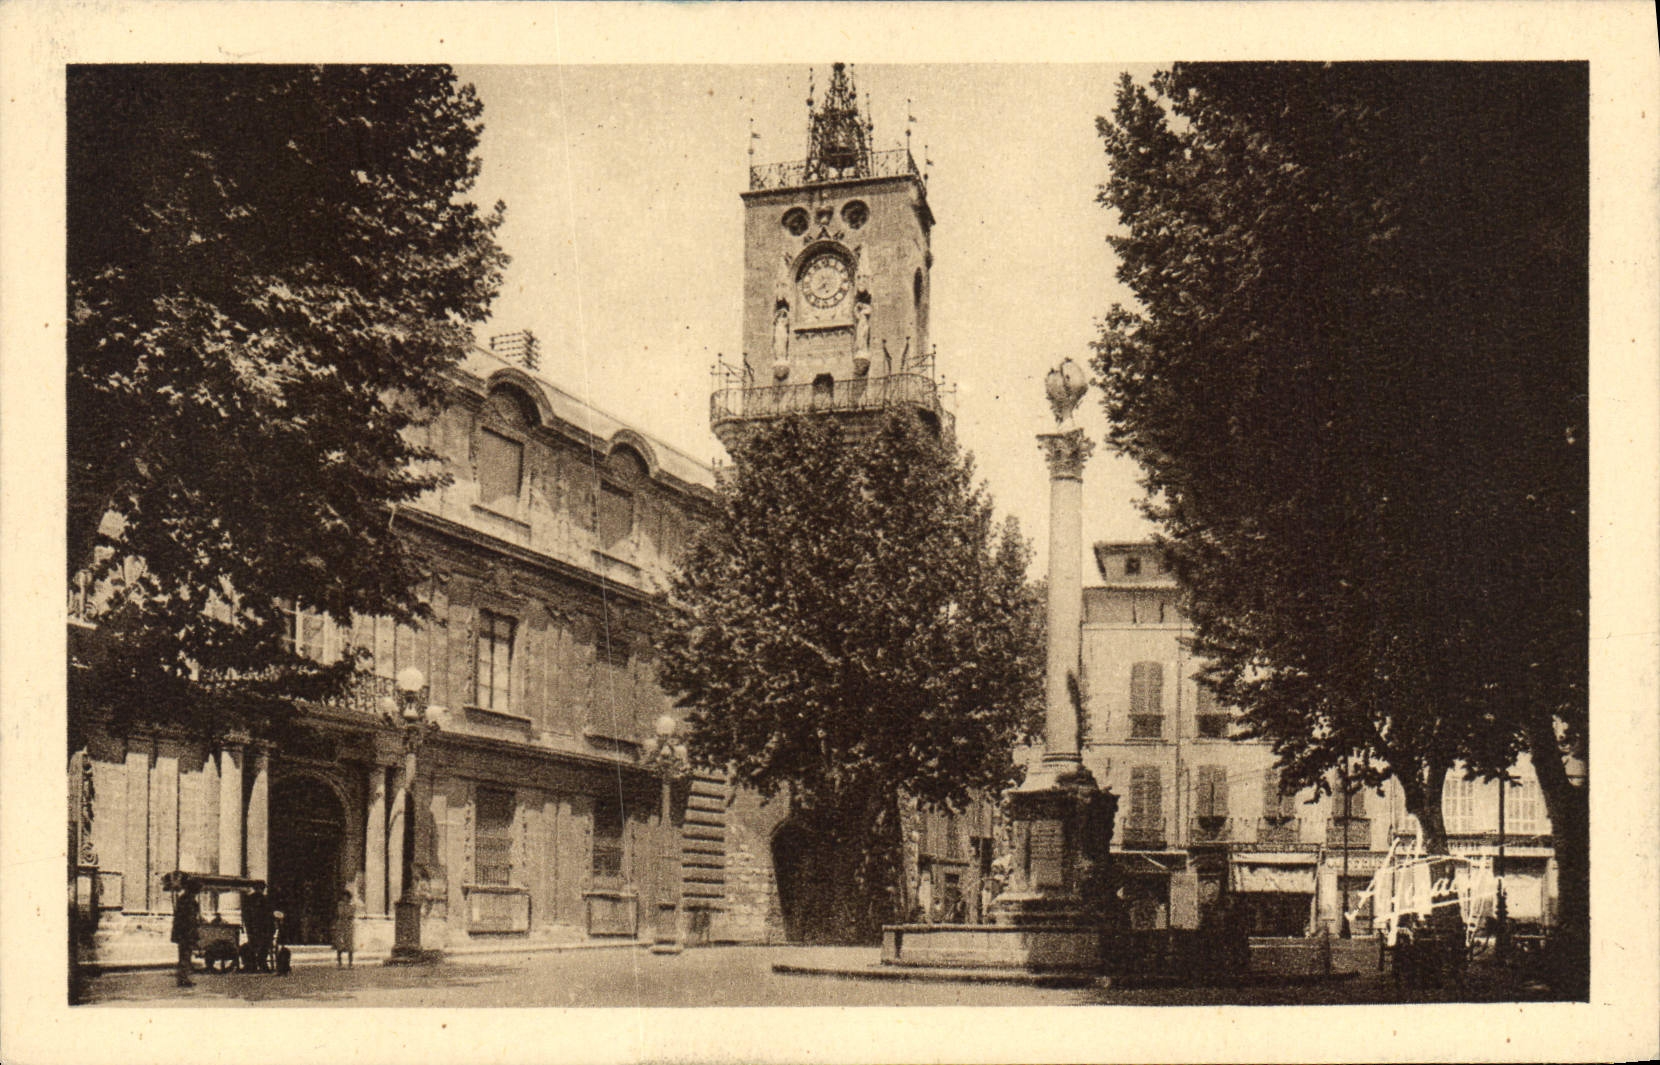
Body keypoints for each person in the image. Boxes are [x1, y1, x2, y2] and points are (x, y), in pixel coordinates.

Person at [170, 877, 199, 988]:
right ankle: (183, 979)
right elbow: (189, 919)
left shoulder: (183, 899)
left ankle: (183, 978)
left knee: (184, 956)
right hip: (186, 933)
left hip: (182, 933)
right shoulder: (189, 901)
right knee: (185, 956)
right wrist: (193, 934)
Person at [242, 884, 274, 973]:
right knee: (263, 945)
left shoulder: (249, 899)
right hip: (261, 930)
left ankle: (252, 964)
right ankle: (260, 963)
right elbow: (270, 916)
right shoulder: (265, 900)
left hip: (254, 930)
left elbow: (246, 916)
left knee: (253, 945)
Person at [332, 888, 357, 968]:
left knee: (350, 945)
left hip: (349, 926)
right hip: (341, 925)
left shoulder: (352, 905)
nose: (345, 898)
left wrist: (348, 914)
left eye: (346, 896)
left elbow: (352, 914)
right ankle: (340, 963)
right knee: (340, 944)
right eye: (344, 896)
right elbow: (341, 913)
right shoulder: (341, 904)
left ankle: (350, 963)